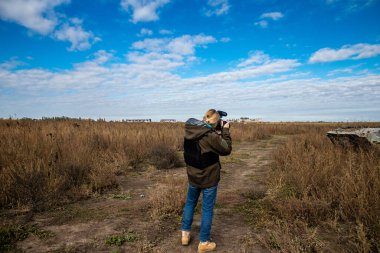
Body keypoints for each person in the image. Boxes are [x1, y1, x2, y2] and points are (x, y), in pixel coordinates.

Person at [181, 109, 232, 253]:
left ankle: (185, 235)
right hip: (208, 177)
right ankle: (204, 242)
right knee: (207, 209)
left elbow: (203, 146)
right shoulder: (210, 136)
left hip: (192, 175)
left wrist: (216, 132)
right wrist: (226, 131)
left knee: (190, 203)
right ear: (217, 122)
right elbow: (226, 149)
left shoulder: (190, 130)